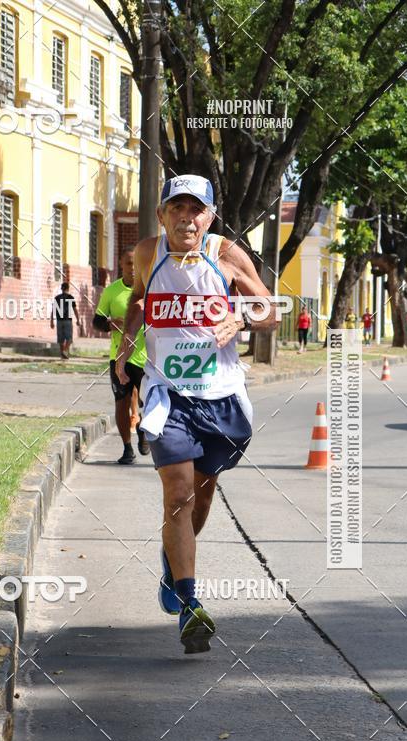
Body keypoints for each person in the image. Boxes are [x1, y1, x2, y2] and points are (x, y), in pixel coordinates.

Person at [116, 174, 275, 654]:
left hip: (221, 395)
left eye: (196, 209)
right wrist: (127, 345)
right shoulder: (148, 253)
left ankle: (172, 563)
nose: (186, 218)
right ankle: (190, 604)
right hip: (167, 394)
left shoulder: (225, 254)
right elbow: (139, 299)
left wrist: (242, 316)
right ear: (162, 214)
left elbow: (270, 309)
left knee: (202, 497)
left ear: (209, 216)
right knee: (178, 493)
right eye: (177, 208)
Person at [93, 247, 150, 464]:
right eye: (128, 263)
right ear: (121, 265)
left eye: (136, 264)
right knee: (121, 402)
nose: (133, 268)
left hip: (146, 357)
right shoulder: (111, 291)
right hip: (119, 358)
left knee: (149, 401)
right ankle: (127, 448)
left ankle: (143, 429)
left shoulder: (151, 290)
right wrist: (110, 324)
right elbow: (97, 321)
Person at [50, 282, 80, 359]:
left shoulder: (57, 298)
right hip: (67, 321)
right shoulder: (71, 297)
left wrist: (51, 321)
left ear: (61, 289)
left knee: (61, 339)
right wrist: (78, 319)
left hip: (59, 321)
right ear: (68, 289)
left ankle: (63, 355)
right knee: (69, 338)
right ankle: (65, 351)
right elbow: (75, 310)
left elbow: (53, 310)